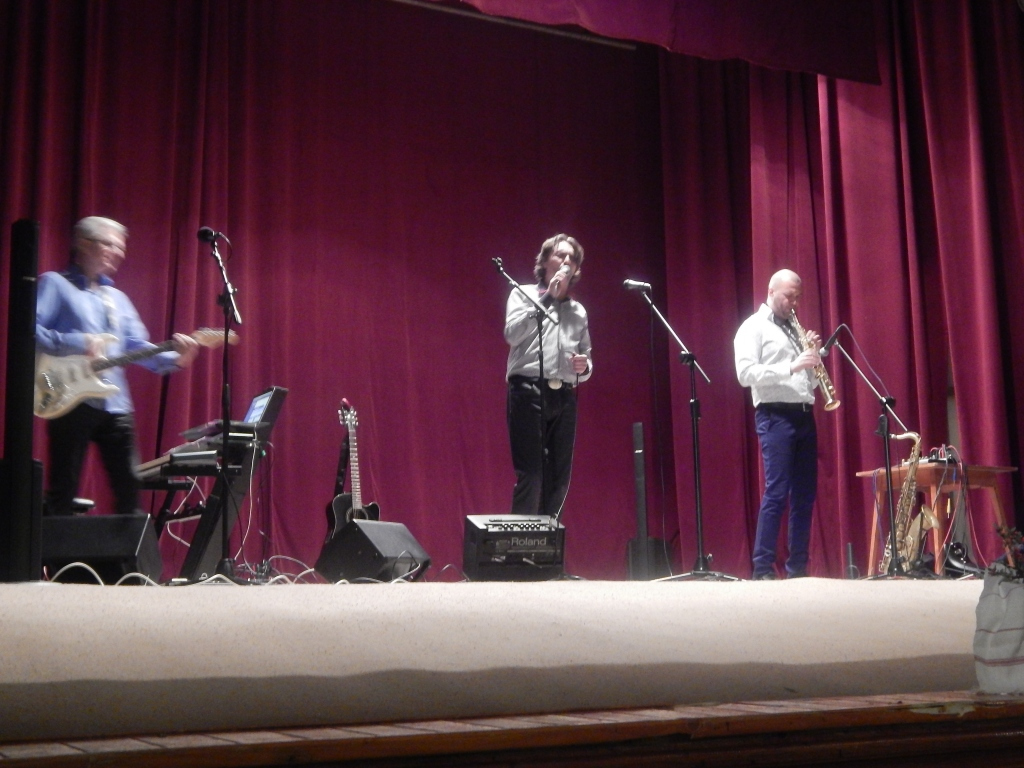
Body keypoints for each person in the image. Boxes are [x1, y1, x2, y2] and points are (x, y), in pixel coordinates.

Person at [35, 216, 200, 517]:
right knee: (63, 492)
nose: (119, 253)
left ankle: (128, 550)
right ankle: (57, 549)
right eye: (110, 245)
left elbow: (135, 347)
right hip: (68, 399)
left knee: (129, 491)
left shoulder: (118, 299)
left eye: (121, 248)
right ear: (84, 244)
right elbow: (29, 330)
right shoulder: (54, 284)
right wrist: (78, 342)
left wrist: (176, 359)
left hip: (116, 404)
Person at [733, 268, 822, 580]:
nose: (794, 303)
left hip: (804, 414)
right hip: (775, 415)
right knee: (777, 491)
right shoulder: (753, 327)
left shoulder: (796, 330)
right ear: (771, 292)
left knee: (805, 494)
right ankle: (762, 568)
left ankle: (797, 568)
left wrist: (813, 357)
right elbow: (745, 374)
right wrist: (792, 366)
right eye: (789, 296)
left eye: (797, 297)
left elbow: (808, 382)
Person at [504, 234, 592, 518]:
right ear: (543, 262)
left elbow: (587, 357)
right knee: (532, 475)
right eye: (560, 255)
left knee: (558, 480)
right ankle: (520, 543)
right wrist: (546, 298)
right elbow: (512, 334)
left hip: (564, 395)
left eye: (572, 258)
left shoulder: (578, 311)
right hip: (527, 390)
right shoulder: (523, 293)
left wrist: (584, 366)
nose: (567, 261)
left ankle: (547, 544)